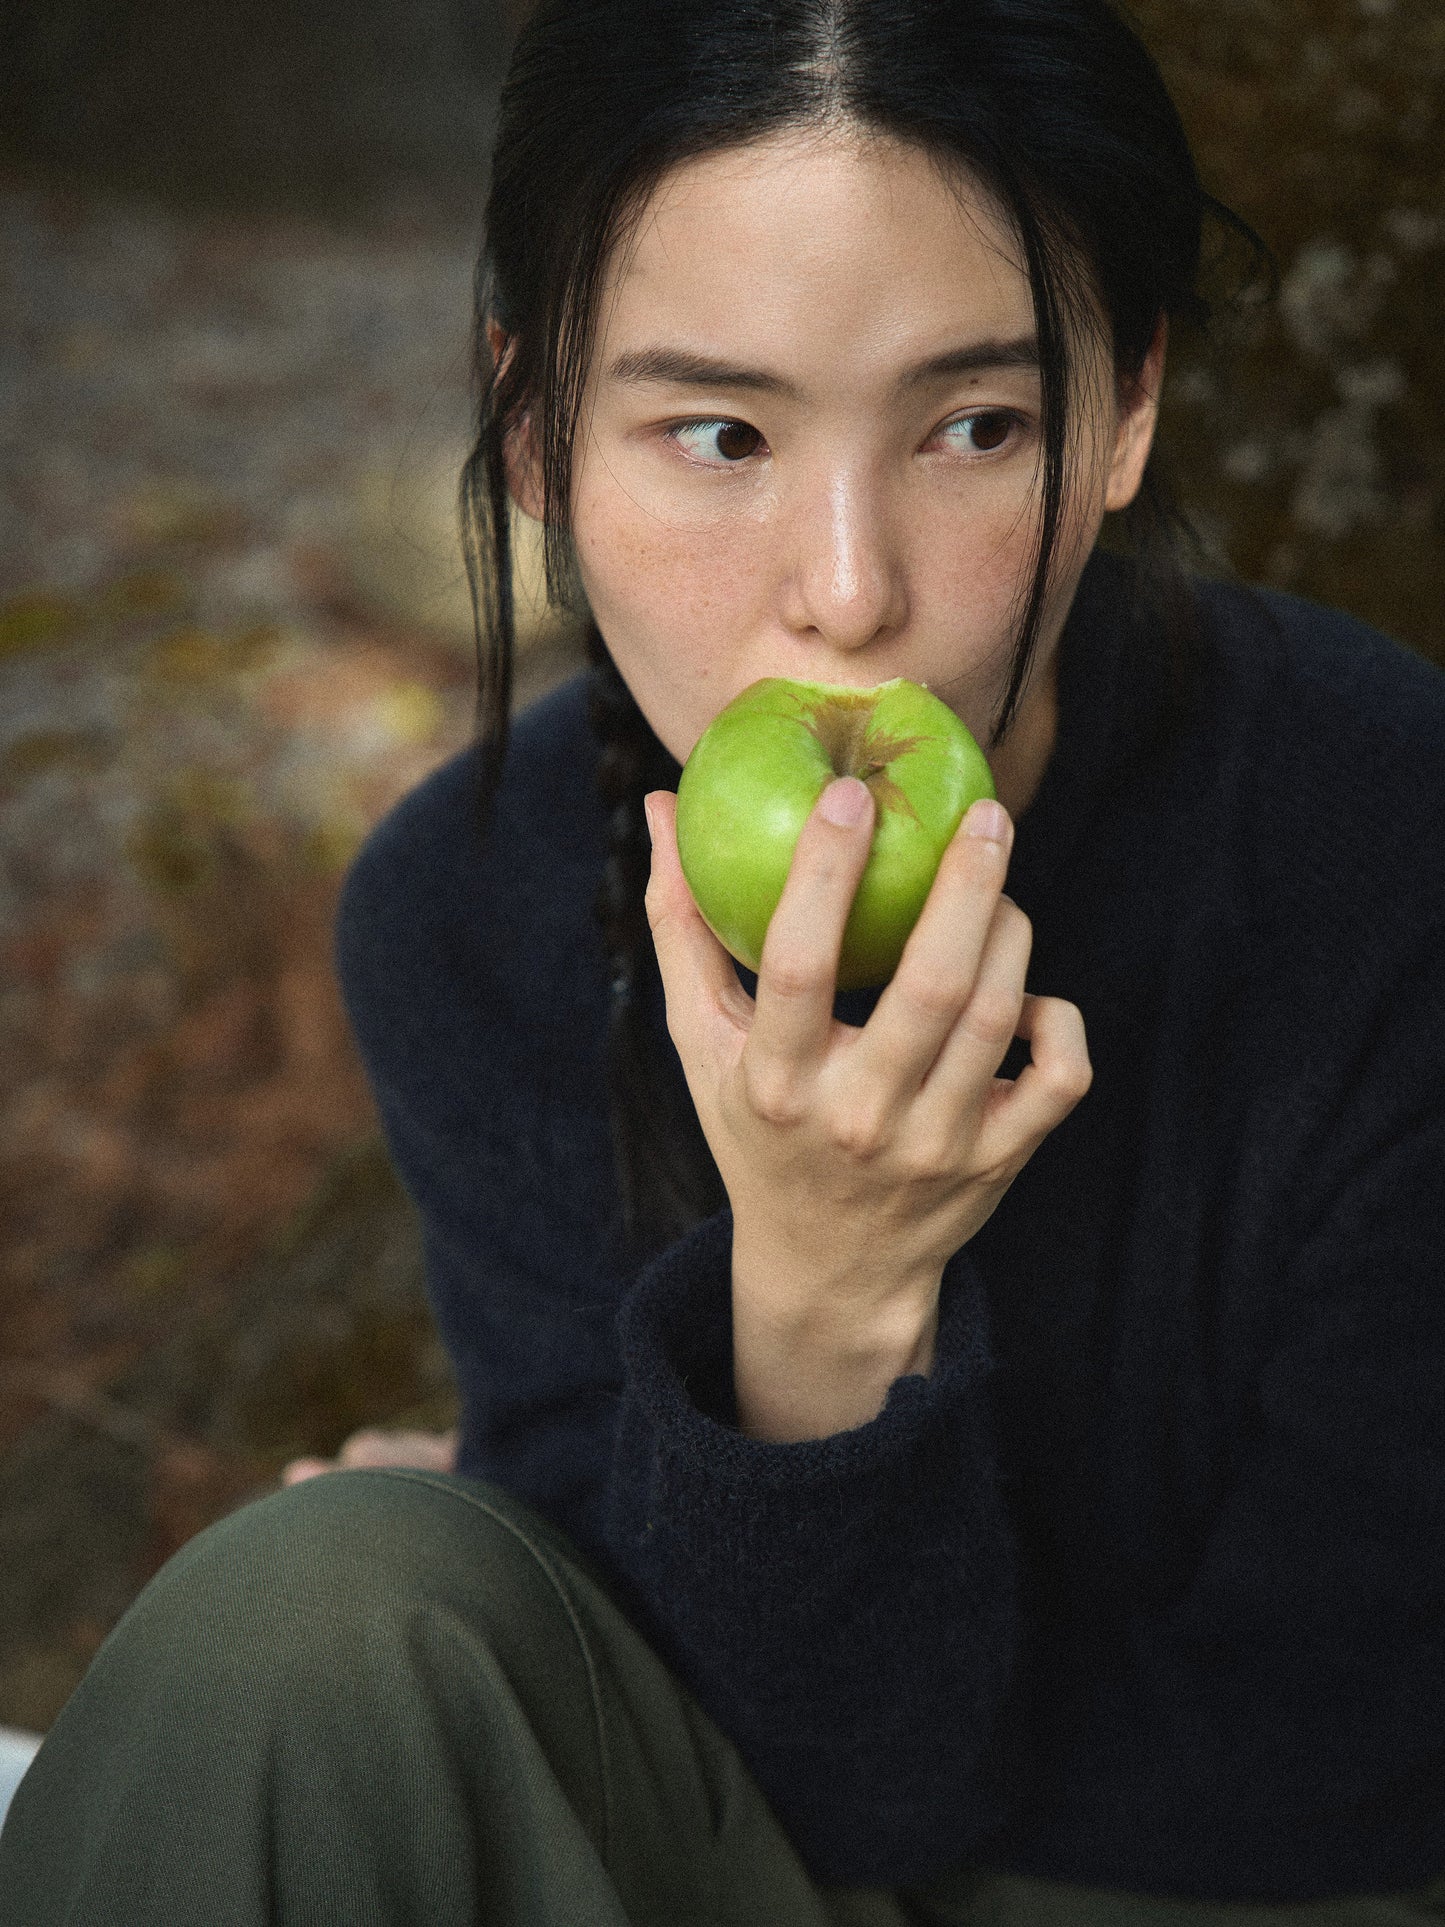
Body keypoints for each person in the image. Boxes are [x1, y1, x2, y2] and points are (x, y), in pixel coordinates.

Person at [4, 0, 1444, 1920]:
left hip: (1258, 1883)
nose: (845, 589)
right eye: (716, 433)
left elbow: (1306, 1770)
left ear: (1123, 419)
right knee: (315, 1611)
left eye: (974, 426)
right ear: (534, 439)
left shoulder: (1377, 836)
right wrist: (821, 1315)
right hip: (778, 1851)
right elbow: (763, 1793)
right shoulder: (472, 917)